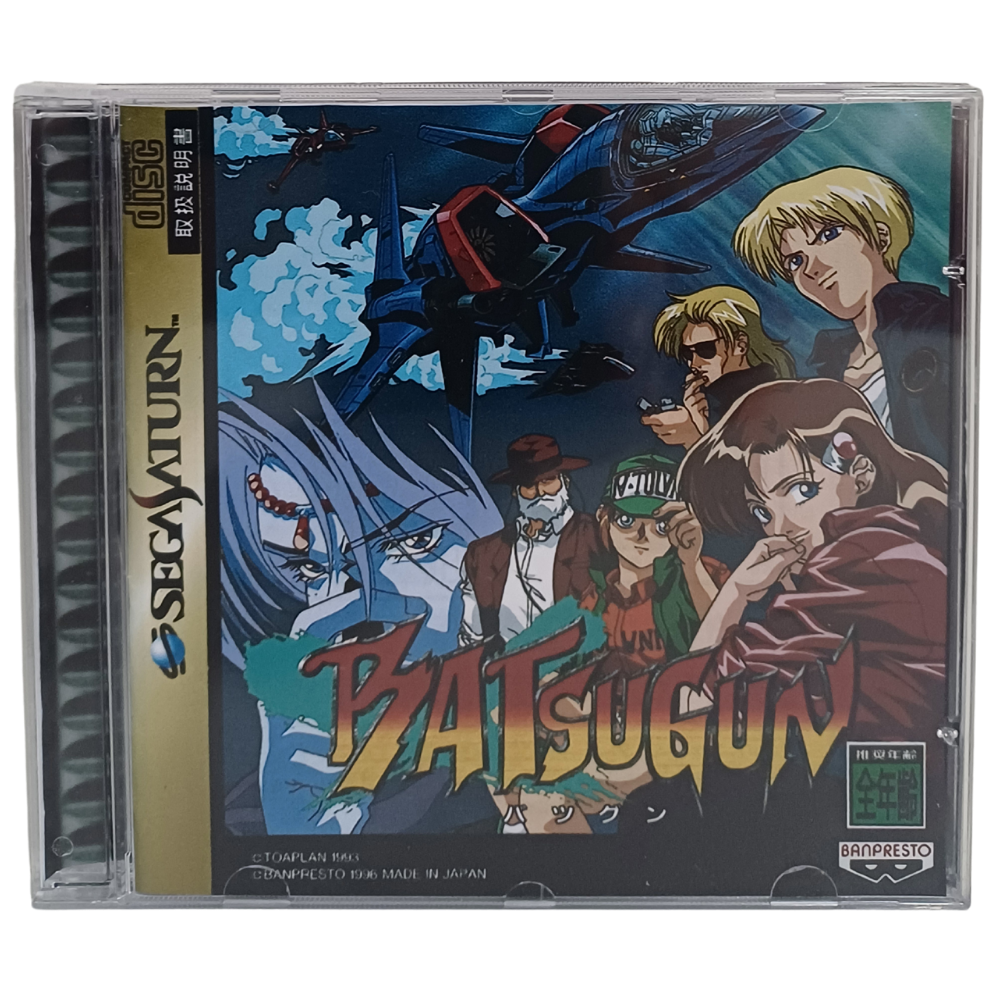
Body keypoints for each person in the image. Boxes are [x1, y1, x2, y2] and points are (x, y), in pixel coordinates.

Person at [219, 382, 504, 835]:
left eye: (412, 542)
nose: (354, 606)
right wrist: (309, 820)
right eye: (311, 570)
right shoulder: (250, 813)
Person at [676, 378, 949, 747]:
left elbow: (691, 700)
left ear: (861, 475)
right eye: (762, 512)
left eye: (803, 491)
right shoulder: (897, 548)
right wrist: (740, 591)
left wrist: (735, 596)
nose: (781, 527)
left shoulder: (868, 558)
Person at [494, 454, 727, 834]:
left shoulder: (697, 575)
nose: (641, 536)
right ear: (605, 519)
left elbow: (723, 638)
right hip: (606, 735)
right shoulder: (596, 596)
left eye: (659, 526)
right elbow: (565, 671)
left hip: (677, 736)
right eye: (627, 521)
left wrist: (691, 562)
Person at [733, 166, 951, 467]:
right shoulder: (829, 362)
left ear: (881, 236)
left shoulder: (938, 325)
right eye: (795, 261)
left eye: (828, 235)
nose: (811, 268)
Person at [458, 434, 601, 655]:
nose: (540, 493)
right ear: (515, 491)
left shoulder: (596, 536)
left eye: (548, 481)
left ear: (565, 482)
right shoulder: (483, 554)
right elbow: (472, 636)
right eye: (529, 485)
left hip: (578, 666)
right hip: (507, 669)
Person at [643, 285, 795, 449]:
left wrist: (692, 438)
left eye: (705, 349)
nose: (694, 363)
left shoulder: (770, 400)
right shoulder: (720, 402)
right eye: (687, 353)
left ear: (740, 345)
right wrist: (700, 425)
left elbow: (760, 462)